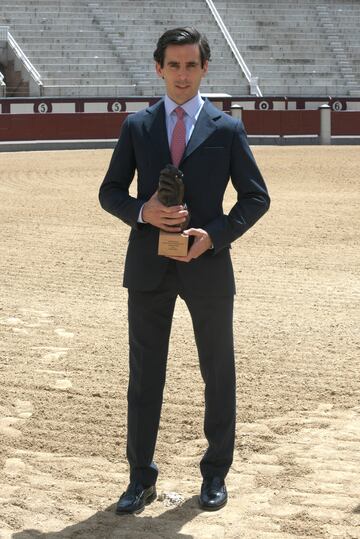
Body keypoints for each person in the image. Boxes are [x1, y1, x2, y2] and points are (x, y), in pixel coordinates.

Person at [99, 27, 270, 514]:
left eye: (190, 65)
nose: (181, 74)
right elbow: (110, 191)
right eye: (173, 65)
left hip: (207, 264)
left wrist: (213, 235)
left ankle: (215, 475)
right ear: (158, 68)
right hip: (149, 264)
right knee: (144, 375)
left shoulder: (227, 128)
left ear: (204, 68)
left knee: (218, 372)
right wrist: (141, 212)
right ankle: (140, 478)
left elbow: (257, 198)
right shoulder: (137, 126)